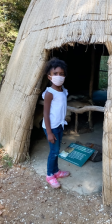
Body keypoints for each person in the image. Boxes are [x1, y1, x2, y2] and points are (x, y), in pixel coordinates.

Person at [42, 57, 70, 188]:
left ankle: (56, 171)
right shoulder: (50, 93)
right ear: (49, 77)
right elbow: (46, 114)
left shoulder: (63, 90)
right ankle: (49, 175)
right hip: (51, 127)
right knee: (53, 151)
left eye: (61, 74)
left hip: (59, 125)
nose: (59, 76)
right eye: (55, 74)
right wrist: (49, 132)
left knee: (57, 150)